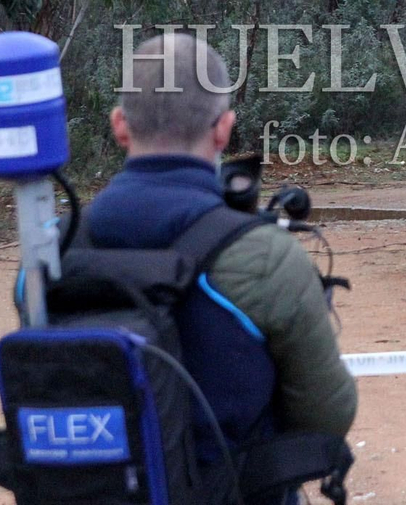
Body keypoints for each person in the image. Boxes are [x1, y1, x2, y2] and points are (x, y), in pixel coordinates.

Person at [83, 31, 357, 463]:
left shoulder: (50, 255)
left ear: (120, 125)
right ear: (224, 131)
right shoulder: (264, 256)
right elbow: (328, 416)